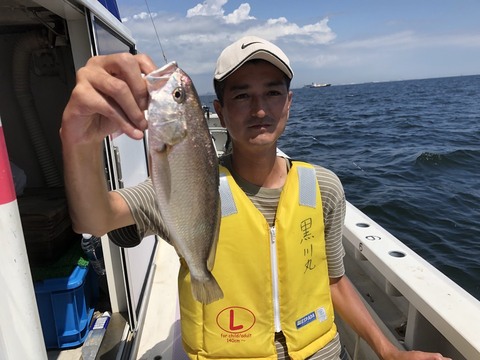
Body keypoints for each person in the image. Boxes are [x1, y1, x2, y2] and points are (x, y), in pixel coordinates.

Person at [61, 36, 451, 360]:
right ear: (219, 110)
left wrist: (390, 351)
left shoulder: (324, 187)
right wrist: (78, 140)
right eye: (243, 96)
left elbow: (334, 281)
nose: (260, 109)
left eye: (273, 93)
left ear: (289, 102)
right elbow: (93, 220)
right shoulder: (189, 182)